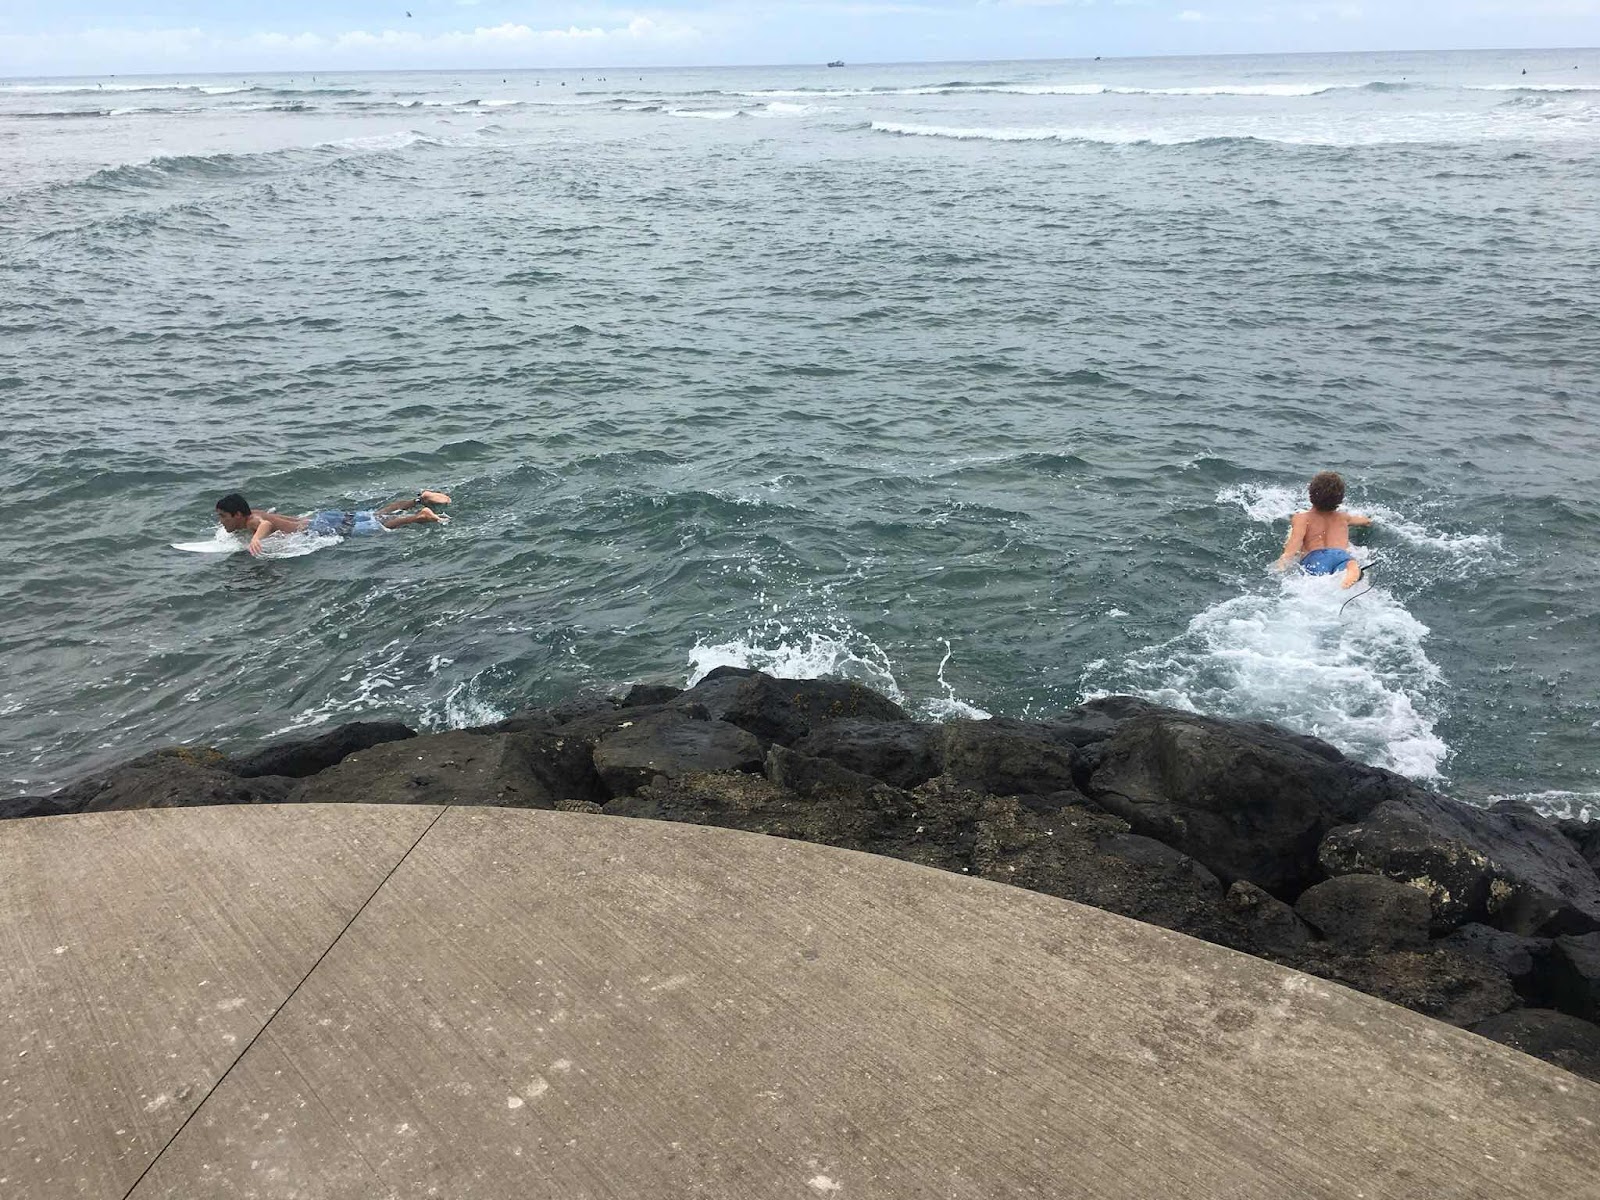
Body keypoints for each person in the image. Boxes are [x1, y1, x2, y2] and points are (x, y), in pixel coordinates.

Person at [214, 490, 451, 557]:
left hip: (319, 529)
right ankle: (419, 499)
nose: (221, 521)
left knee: (380, 526)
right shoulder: (252, 512)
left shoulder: (253, 520)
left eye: (223, 516)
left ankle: (420, 516)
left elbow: (264, 524)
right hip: (322, 518)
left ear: (238, 514)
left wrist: (256, 539)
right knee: (375, 515)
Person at [1273, 471, 1371, 589]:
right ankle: (1352, 568)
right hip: (1340, 555)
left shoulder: (1302, 518)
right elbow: (1366, 521)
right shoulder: (1344, 517)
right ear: (1340, 499)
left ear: (1311, 494)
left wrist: (1282, 564)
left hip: (1315, 558)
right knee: (1348, 563)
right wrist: (1369, 520)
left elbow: (1294, 544)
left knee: (1318, 584)